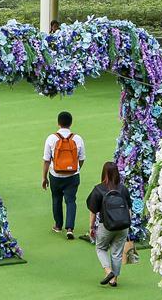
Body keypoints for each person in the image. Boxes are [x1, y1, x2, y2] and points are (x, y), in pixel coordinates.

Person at [86, 162, 132, 287]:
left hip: (106, 225)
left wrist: (91, 227)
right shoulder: (123, 189)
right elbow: (129, 209)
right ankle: (114, 279)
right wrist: (128, 224)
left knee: (101, 248)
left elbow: (93, 211)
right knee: (117, 252)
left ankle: (108, 271)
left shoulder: (99, 189)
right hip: (123, 226)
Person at [42, 111, 85, 239]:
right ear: (71, 123)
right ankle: (70, 228)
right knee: (71, 200)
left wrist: (44, 177)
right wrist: (75, 169)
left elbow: (46, 160)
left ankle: (58, 225)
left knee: (56, 199)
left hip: (55, 175)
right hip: (72, 175)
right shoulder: (77, 139)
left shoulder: (51, 138)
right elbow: (81, 158)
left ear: (58, 123)